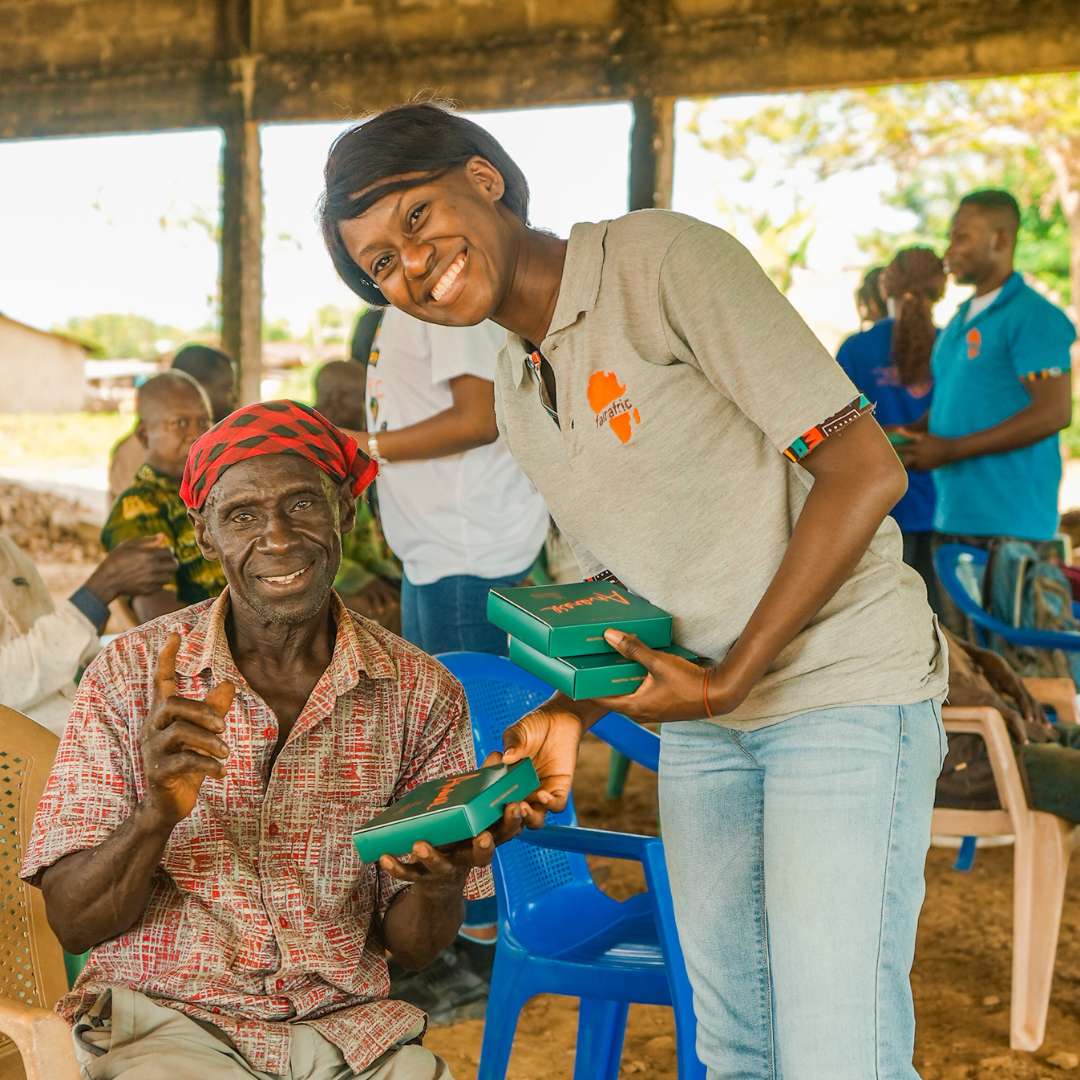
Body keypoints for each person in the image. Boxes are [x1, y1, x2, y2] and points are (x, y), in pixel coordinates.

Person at [319, 103, 949, 1079]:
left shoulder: (657, 263)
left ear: (483, 179)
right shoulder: (519, 387)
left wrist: (733, 675)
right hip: (705, 720)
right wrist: (563, 718)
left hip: (839, 692)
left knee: (839, 1053)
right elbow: (619, 589)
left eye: (413, 218)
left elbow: (865, 470)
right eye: (379, 265)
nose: (410, 265)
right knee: (736, 1042)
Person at [22, 400, 518, 1080]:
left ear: (346, 511)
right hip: (163, 1023)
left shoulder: (420, 692)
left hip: (346, 1034)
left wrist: (441, 883)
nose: (278, 538)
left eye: (303, 505)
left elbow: (415, 949)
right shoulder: (130, 674)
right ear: (204, 535)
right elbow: (74, 925)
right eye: (243, 515)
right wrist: (155, 816)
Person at [897, 190, 1076, 631]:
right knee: (973, 674)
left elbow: (1054, 412)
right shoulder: (959, 321)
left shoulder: (1032, 316)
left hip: (1010, 530)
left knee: (1020, 672)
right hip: (954, 517)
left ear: (1000, 239)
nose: (949, 251)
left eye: (962, 238)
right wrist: (913, 433)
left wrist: (952, 449)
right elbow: (955, 404)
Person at [362, 308, 548, 657]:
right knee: (433, 703)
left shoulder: (443, 304)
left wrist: (364, 446)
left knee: (466, 707)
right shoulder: (403, 305)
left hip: (466, 555)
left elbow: (478, 421)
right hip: (431, 549)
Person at [837, 247, 945, 607]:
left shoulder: (856, 349)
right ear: (940, 288)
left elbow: (838, 428)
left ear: (886, 288)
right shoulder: (953, 345)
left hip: (881, 507)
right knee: (948, 626)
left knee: (893, 614)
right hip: (946, 504)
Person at [0, 533, 176, 736]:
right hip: (26, 756)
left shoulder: (8, 550)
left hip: (81, 732)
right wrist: (100, 589)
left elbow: (55, 648)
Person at [102, 371, 224, 622]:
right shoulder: (139, 505)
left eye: (204, 422)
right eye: (180, 423)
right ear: (144, 435)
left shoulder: (215, 490)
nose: (195, 435)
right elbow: (155, 610)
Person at [313, 360, 402, 628]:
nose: (371, 408)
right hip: (321, 577)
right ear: (337, 400)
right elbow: (309, 541)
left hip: (358, 570)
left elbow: (364, 536)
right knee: (388, 610)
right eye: (364, 398)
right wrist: (359, 579)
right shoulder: (309, 452)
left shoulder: (348, 449)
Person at [108, 345, 238, 504]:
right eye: (227, 389)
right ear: (194, 387)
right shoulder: (140, 453)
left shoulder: (203, 442)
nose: (233, 399)